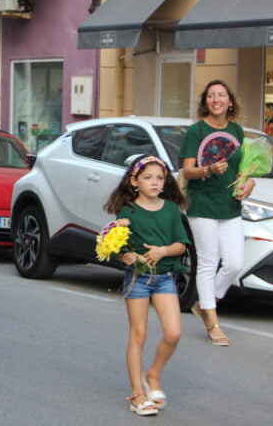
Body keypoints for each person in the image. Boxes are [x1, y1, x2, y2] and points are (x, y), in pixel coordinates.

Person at [104, 155, 189, 416]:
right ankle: (137, 395)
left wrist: (163, 251)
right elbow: (117, 246)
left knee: (174, 333)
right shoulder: (128, 212)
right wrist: (125, 255)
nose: (155, 182)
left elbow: (181, 244)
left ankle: (153, 374)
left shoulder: (172, 209)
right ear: (134, 181)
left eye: (160, 178)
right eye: (148, 177)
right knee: (138, 336)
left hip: (164, 279)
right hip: (137, 280)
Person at [178, 79, 256, 347]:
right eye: (211, 96)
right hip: (202, 203)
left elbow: (245, 169)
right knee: (209, 261)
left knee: (234, 264)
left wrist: (250, 183)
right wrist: (208, 170)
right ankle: (212, 322)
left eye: (221, 95)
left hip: (230, 205)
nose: (216, 99)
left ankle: (205, 304)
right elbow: (187, 171)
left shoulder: (237, 131)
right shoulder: (196, 131)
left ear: (230, 101)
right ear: (206, 103)